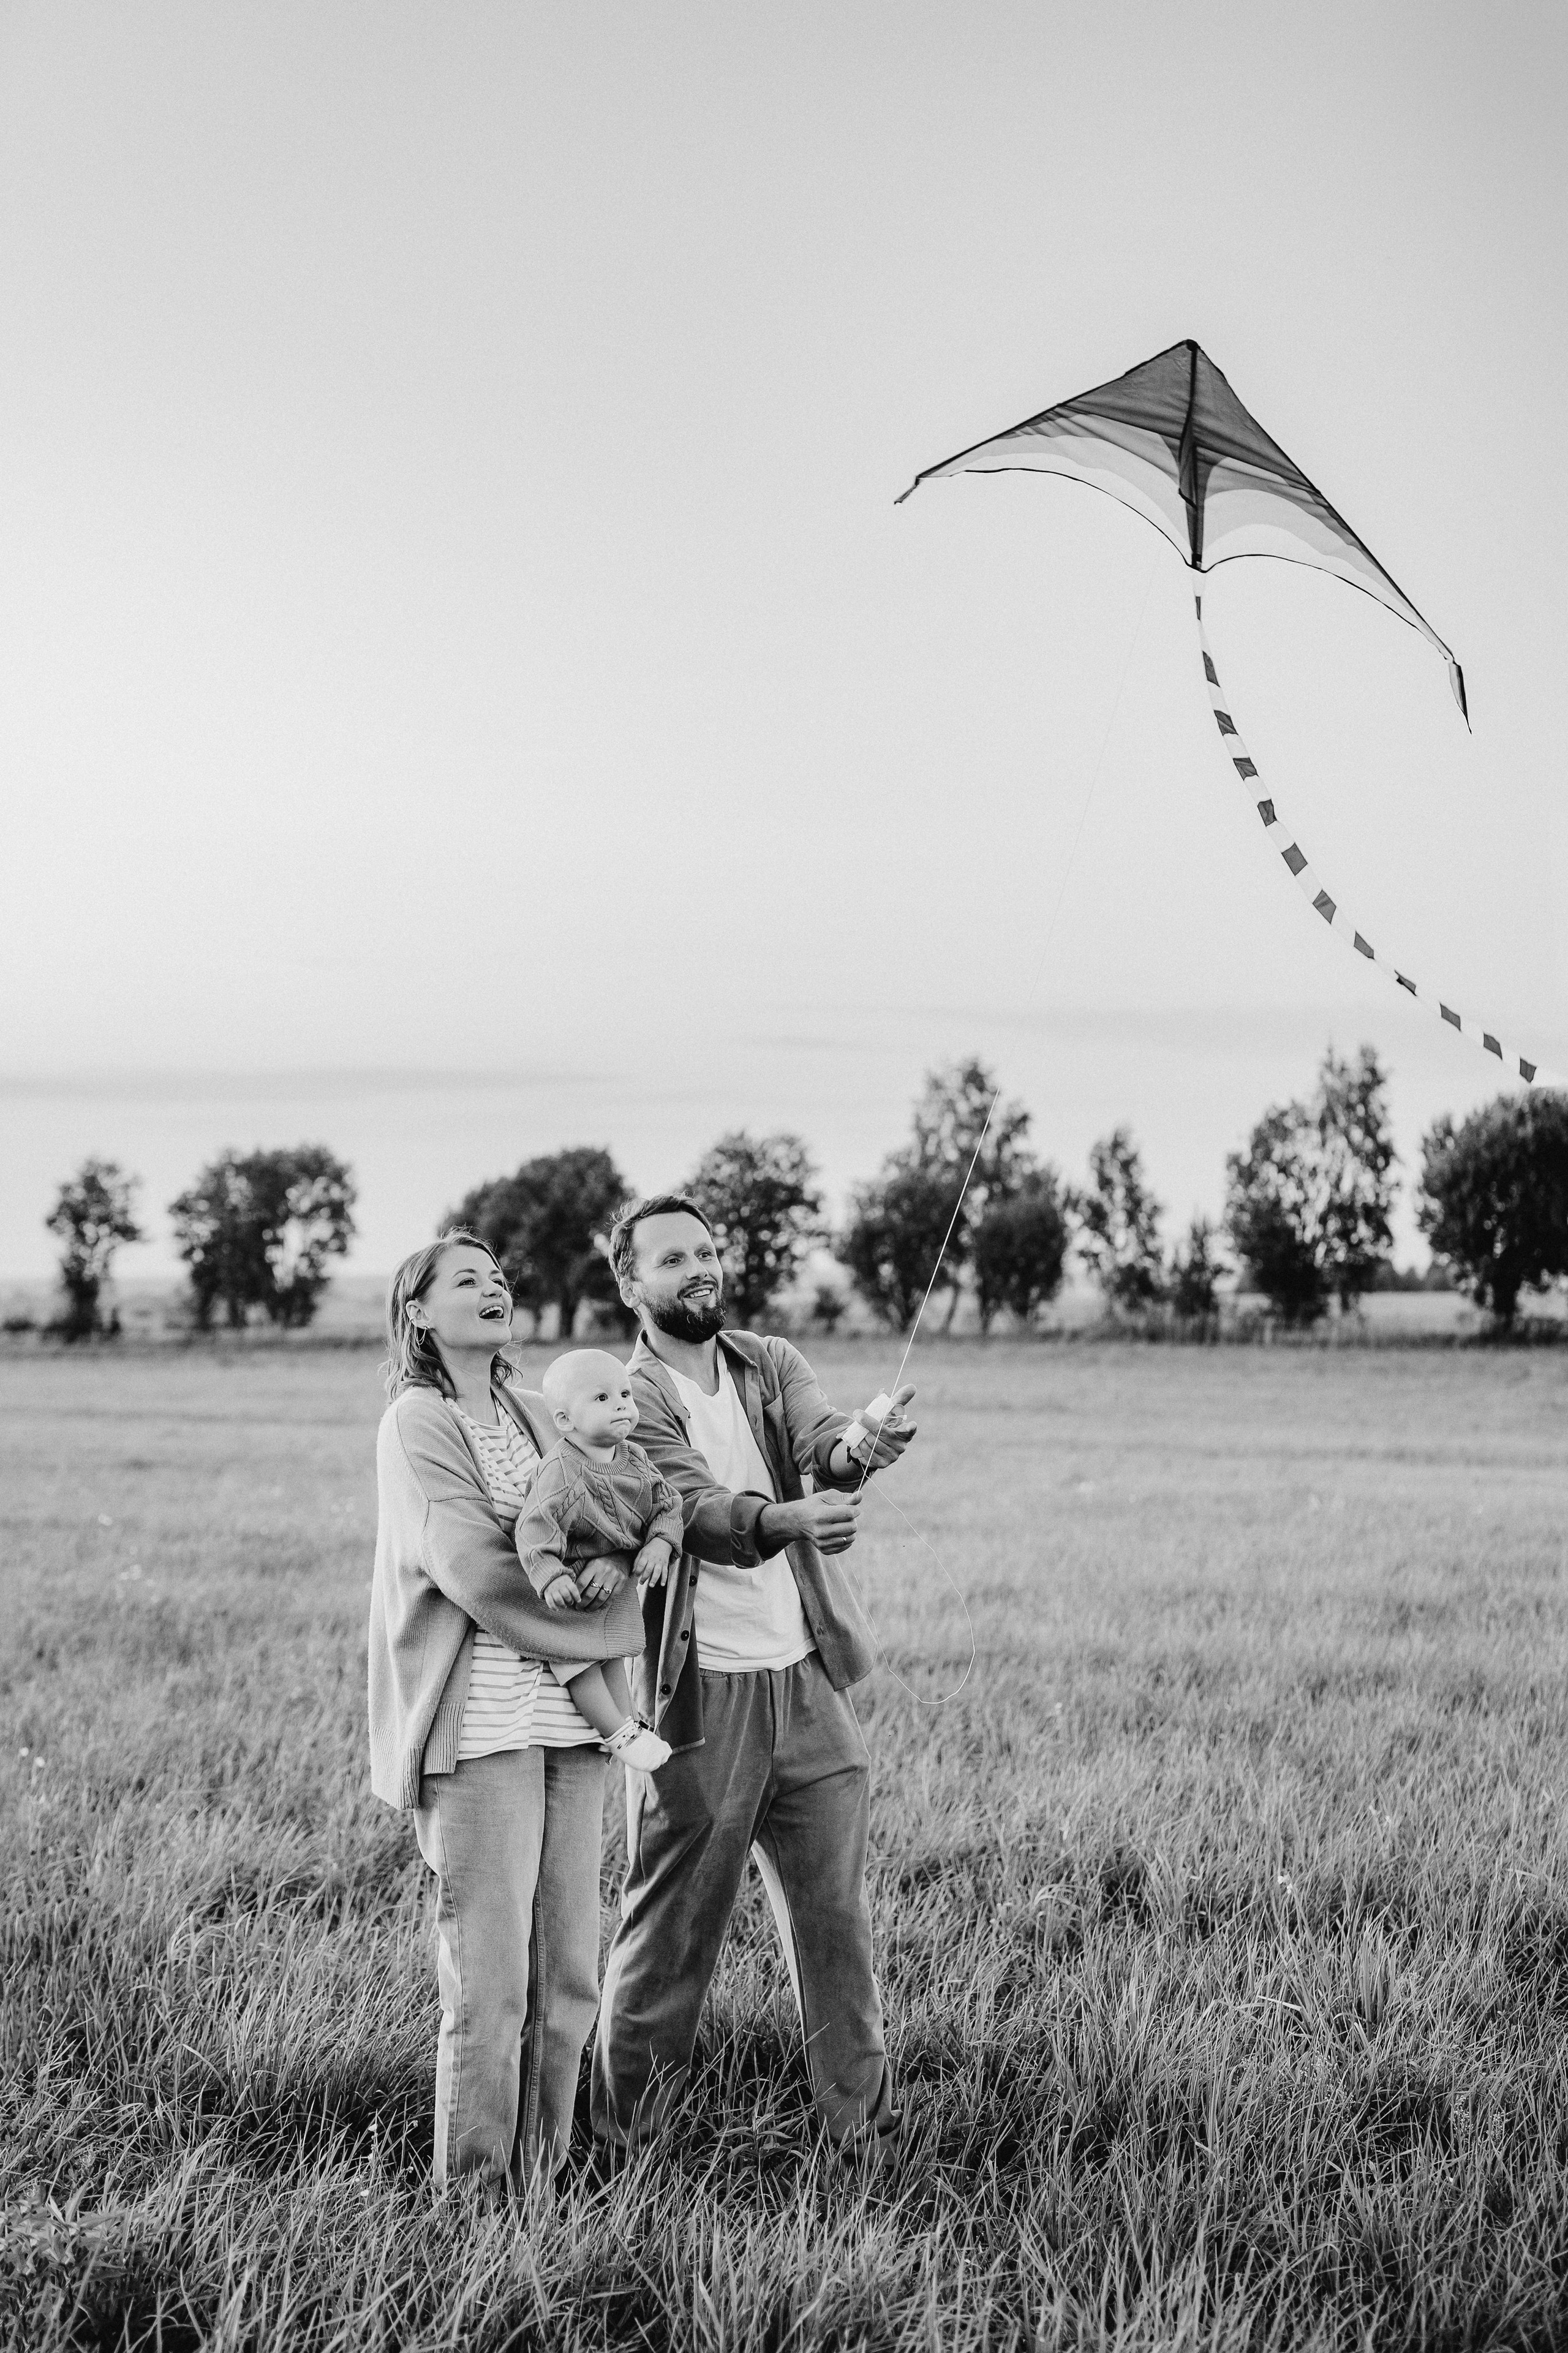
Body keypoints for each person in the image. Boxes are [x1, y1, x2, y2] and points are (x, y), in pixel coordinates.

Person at [589, 1193, 917, 2164]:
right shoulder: (629, 1394)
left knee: (836, 1920)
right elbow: (690, 1506)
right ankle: (628, 2140)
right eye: (671, 1258)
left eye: (706, 1250)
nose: (698, 1268)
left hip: (806, 1682)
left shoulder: (770, 1361)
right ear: (630, 1282)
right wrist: (787, 1520)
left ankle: (861, 2131)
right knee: (674, 1924)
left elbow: (827, 1449)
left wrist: (862, 1447)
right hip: (699, 1695)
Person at [367, 1231, 646, 2197]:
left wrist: (617, 1562)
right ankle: (476, 2205)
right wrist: (611, 1617)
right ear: (418, 1313)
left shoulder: (539, 1414)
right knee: (490, 1991)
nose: (494, 1290)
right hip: (479, 1725)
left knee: (568, 1981)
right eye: (466, 1281)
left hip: (573, 1725)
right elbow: (478, 1568)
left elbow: (612, 1516)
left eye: (498, 1279)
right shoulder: (418, 1420)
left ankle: (543, 2182)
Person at [511, 1347, 684, 1770]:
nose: (622, 1404)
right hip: (569, 1582)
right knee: (579, 1657)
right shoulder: (562, 1471)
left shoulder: (636, 1459)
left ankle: (629, 1725)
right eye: (602, 1398)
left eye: (625, 1393)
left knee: (614, 1650)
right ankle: (619, 1732)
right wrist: (550, 1575)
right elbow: (534, 1525)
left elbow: (669, 1504)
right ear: (566, 1421)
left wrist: (660, 1543)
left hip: (612, 1582)